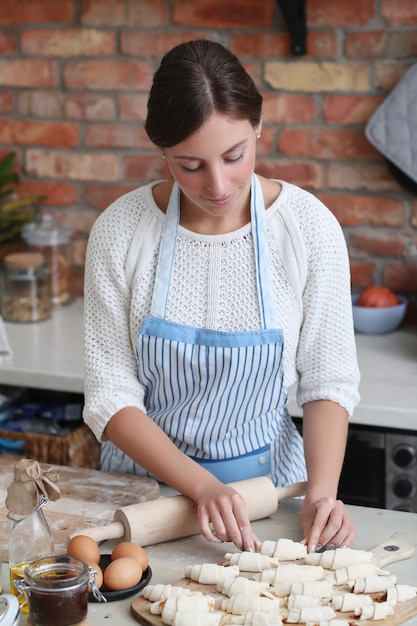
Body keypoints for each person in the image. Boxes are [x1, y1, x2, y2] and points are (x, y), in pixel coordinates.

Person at [83, 39, 360, 554]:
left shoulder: (307, 227)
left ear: (257, 126)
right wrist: (202, 487)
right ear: (160, 148)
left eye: (235, 157)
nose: (217, 185)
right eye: (189, 165)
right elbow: (109, 397)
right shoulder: (120, 231)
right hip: (139, 507)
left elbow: (328, 378)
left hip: (270, 499)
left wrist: (322, 496)